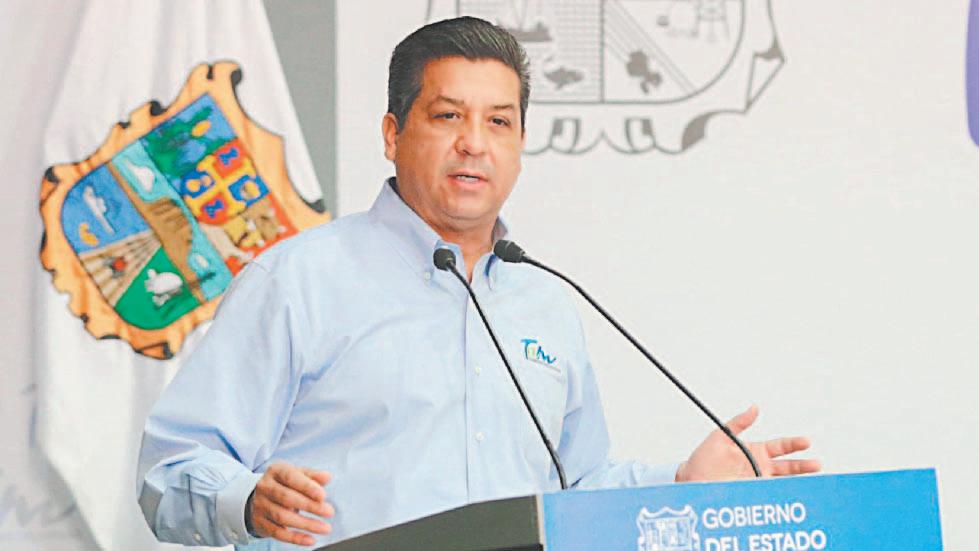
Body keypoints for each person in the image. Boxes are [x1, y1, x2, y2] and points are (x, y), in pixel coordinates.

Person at [137, 16, 820, 549]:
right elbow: (170, 469)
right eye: (447, 116)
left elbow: (574, 487)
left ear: (519, 143)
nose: (474, 142)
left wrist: (680, 485)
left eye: (498, 121)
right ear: (392, 133)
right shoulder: (298, 280)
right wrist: (247, 500)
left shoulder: (543, 301)